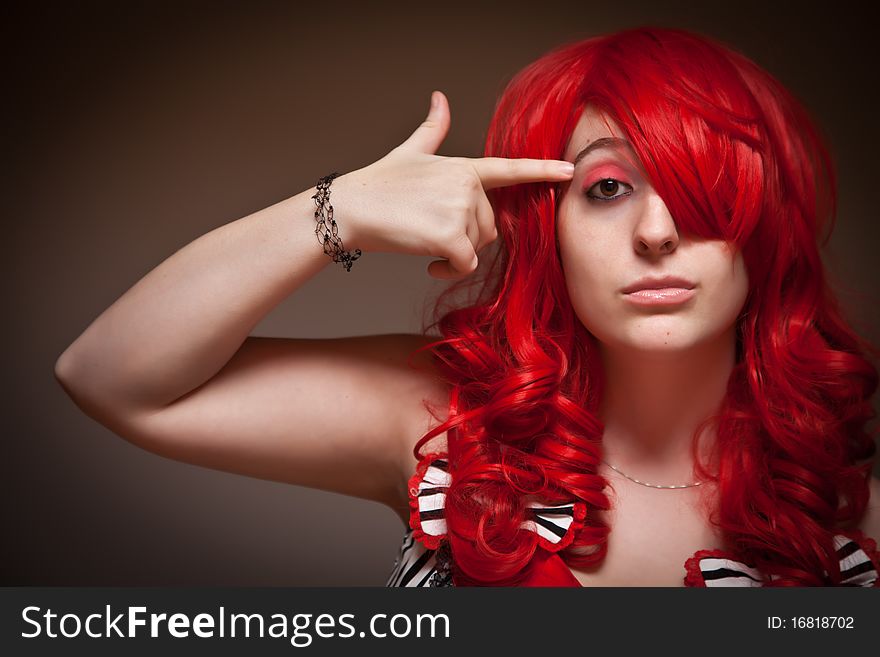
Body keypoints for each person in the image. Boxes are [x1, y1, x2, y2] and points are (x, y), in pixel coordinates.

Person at [55, 26, 880, 587]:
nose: (658, 231)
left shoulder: (853, 504)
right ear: (546, 227)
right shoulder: (443, 422)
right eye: (607, 187)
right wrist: (338, 210)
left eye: (706, 186)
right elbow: (109, 376)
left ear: (767, 228)